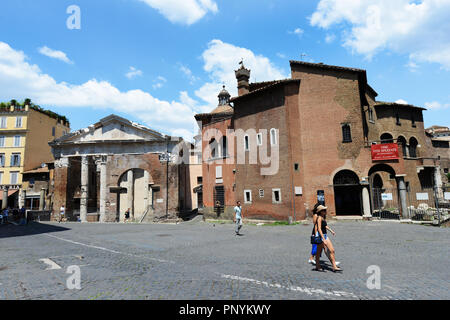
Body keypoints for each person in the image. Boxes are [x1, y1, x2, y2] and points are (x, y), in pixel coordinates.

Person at [314, 205, 342, 272]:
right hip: (321, 236)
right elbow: (319, 229)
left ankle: (334, 266)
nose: (325, 211)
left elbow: (325, 226)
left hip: (325, 235)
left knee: (332, 250)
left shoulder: (323, 217)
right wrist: (323, 238)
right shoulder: (319, 218)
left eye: (325, 210)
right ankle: (317, 266)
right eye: (324, 210)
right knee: (318, 252)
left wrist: (331, 231)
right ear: (321, 212)